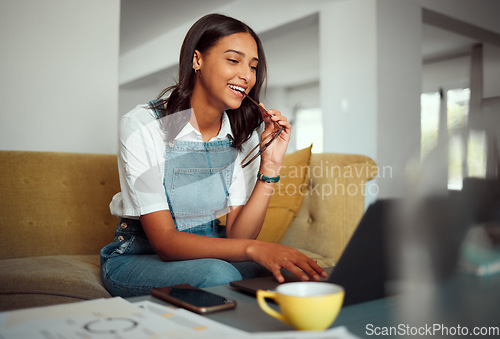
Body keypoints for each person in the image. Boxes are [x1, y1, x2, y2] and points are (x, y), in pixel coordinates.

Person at [100, 13, 326, 298]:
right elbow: (166, 243)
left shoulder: (243, 134)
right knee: (218, 274)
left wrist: (270, 165)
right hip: (139, 256)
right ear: (198, 60)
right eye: (233, 60)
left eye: (253, 67)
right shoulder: (143, 125)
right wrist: (255, 250)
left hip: (213, 247)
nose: (246, 75)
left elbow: (239, 237)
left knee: (297, 273)